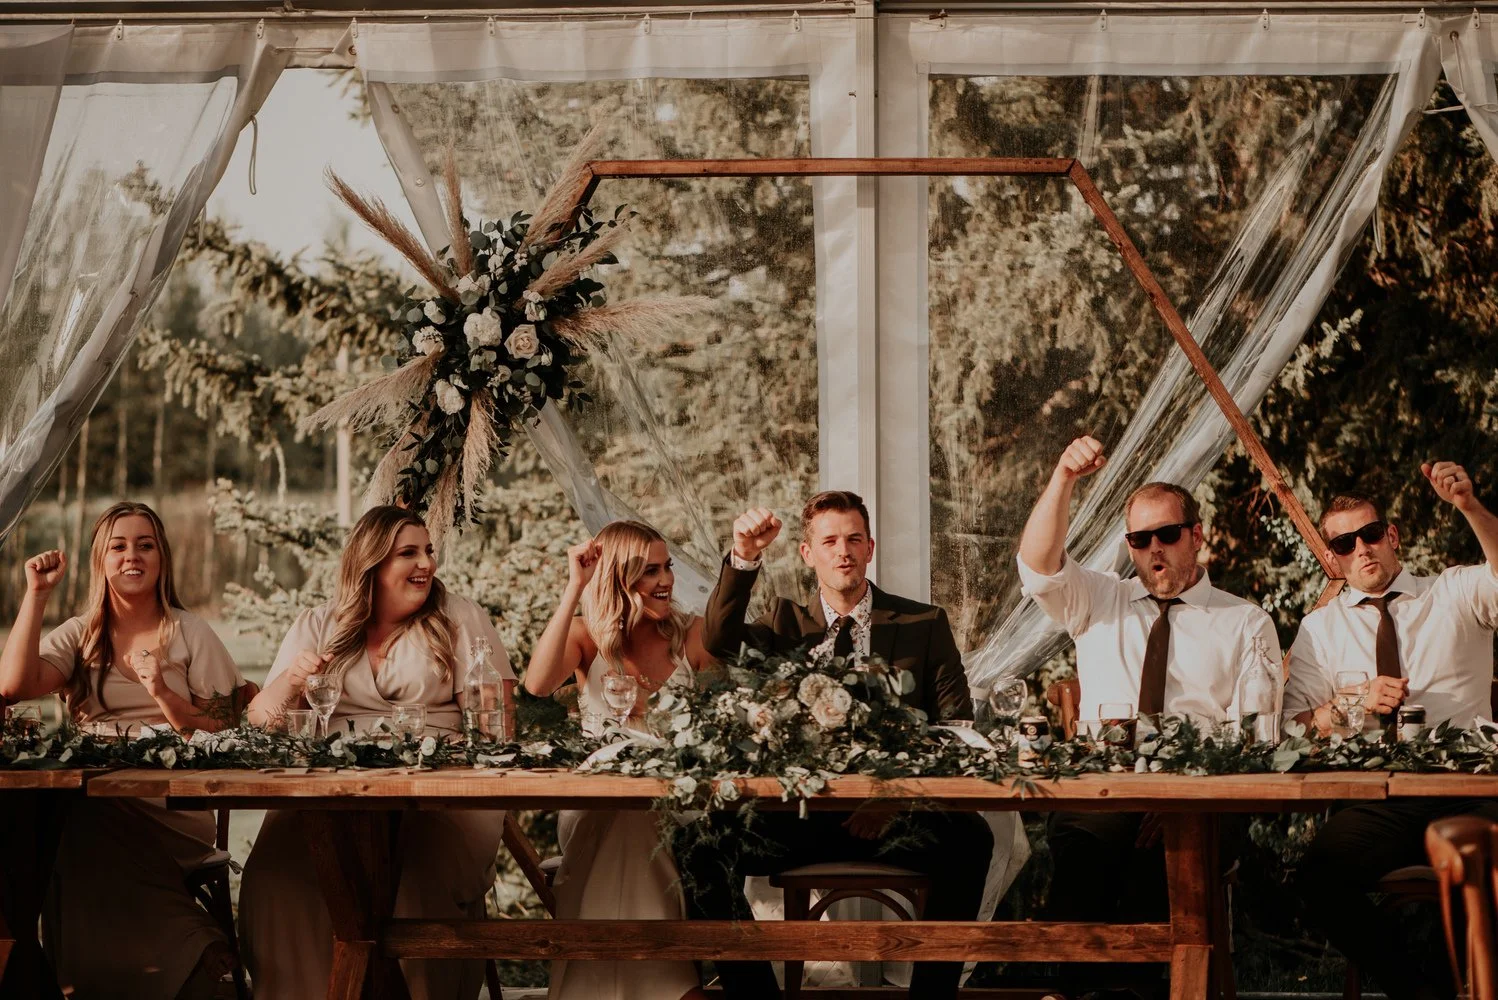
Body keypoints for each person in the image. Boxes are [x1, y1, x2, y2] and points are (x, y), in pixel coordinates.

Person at [679, 490, 995, 1000]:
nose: (842, 550)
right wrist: (744, 555)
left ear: (870, 548)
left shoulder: (923, 623)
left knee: (972, 838)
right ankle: (754, 995)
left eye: (853, 539)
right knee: (698, 846)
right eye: (829, 541)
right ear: (808, 554)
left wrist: (891, 795)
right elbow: (717, 640)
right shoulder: (781, 625)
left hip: (894, 817)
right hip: (800, 819)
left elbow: (955, 728)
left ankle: (933, 997)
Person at [1016, 437, 1279, 992]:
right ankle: (1068, 987)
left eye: (1167, 534)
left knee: (1163, 861)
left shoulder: (1244, 621)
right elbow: (1038, 566)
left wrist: (1185, 796)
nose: (1154, 549)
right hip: (1105, 794)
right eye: (1140, 539)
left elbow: (1254, 735)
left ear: (1196, 535)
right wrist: (1064, 474)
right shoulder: (1099, 599)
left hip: (1201, 800)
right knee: (1085, 852)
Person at [239, 504, 514, 1000]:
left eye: (428, 551)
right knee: (280, 871)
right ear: (371, 565)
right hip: (331, 786)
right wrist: (296, 679)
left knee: (419, 870)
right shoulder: (321, 624)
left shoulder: (458, 618)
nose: (426, 564)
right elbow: (261, 720)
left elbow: (498, 722)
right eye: (408, 553)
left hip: (440, 780)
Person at [0, 501, 246, 999]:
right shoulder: (81, 633)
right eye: (118, 546)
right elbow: (13, 684)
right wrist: (37, 595)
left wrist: (163, 693)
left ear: (161, 558)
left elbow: (224, 724)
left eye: (145, 544)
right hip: (93, 791)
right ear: (101, 560)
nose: (131, 555)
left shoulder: (189, 632)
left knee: (67, 822)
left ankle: (191, 952)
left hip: (172, 801)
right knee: (55, 818)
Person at [1287, 463, 1498, 1000]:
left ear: (1392, 536)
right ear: (1332, 554)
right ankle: (1421, 993)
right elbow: (1293, 730)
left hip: (1470, 790)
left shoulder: (1450, 592)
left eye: (1370, 534)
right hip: (1380, 800)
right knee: (1318, 877)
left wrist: (1470, 507)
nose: (1361, 549)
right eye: (1343, 542)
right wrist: (1346, 707)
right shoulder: (1321, 628)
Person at [524, 520, 713, 1000]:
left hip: (678, 800)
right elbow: (538, 684)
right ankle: (671, 987)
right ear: (620, 579)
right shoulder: (587, 637)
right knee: (626, 816)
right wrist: (575, 587)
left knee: (640, 818)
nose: (666, 580)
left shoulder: (690, 633)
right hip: (596, 798)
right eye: (650, 571)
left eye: (667, 566)